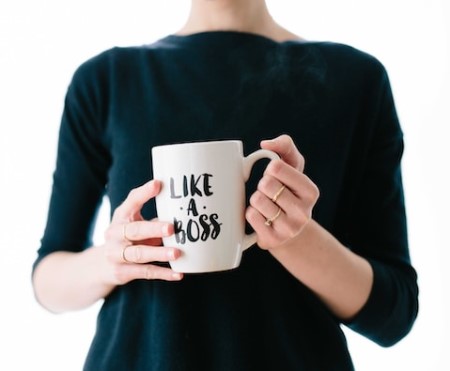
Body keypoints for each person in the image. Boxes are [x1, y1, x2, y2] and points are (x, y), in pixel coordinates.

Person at [32, 0, 419, 370]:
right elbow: (47, 280)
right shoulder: (106, 81)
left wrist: (294, 238)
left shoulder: (355, 81)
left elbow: (393, 314)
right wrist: (111, 260)